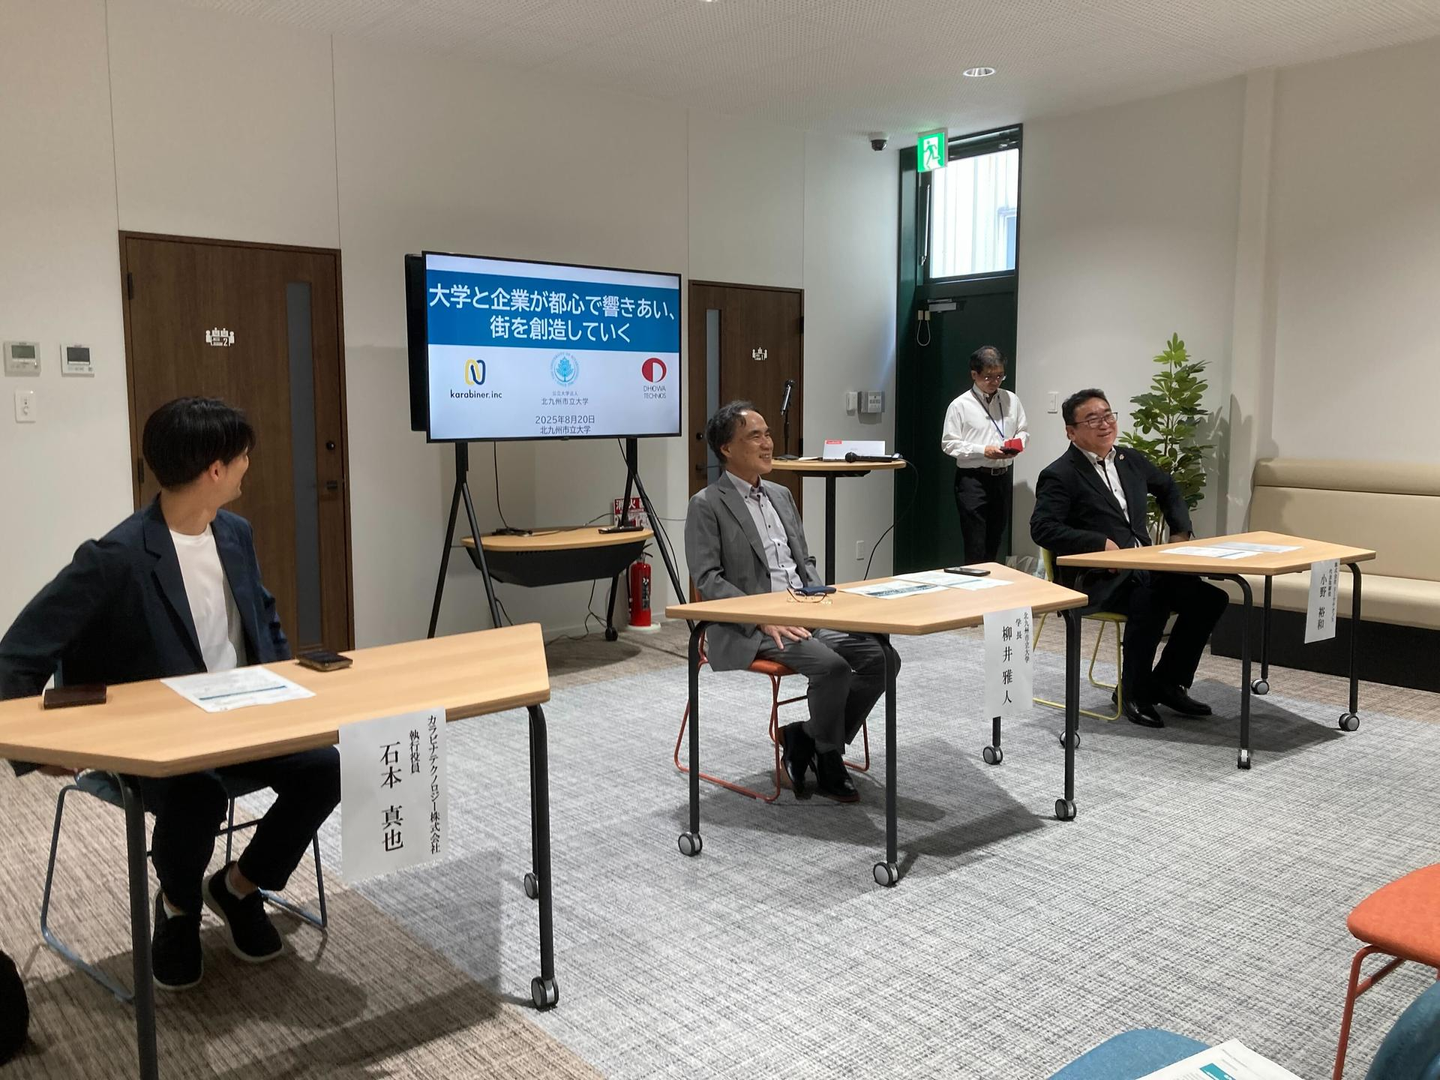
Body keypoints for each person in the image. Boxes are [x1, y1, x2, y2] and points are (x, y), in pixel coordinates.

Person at [0, 397, 340, 991]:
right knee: (197, 794)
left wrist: (287, 687)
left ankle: (237, 888)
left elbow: (262, 617)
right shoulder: (117, 557)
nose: (248, 466)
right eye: (242, 457)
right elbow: (16, 657)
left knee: (324, 767)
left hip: (244, 718)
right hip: (160, 743)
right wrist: (38, 749)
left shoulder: (234, 533)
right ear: (215, 469)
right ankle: (178, 907)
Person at [684, 401, 899, 802]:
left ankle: (806, 737)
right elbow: (708, 579)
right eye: (755, 436)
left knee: (882, 658)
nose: (767, 443)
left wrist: (824, 599)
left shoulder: (781, 494)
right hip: (751, 625)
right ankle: (828, 756)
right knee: (833, 668)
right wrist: (762, 617)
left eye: (767, 434)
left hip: (805, 609)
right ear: (727, 448)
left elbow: (804, 560)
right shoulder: (707, 504)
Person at [1029, 388, 1227, 729]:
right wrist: (1098, 544)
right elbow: (1043, 528)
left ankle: (1167, 682)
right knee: (1151, 598)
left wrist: (1180, 532)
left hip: (1143, 568)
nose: (1104, 424)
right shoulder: (1060, 474)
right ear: (1071, 432)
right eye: (1092, 419)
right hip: (1094, 577)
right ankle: (1133, 691)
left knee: (1210, 598)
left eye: (1108, 415)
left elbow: (1168, 488)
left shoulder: (1130, 460)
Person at [941, 345, 1029, 564]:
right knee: (975, 541)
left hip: (1002, 477)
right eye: (988, 376)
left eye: (1000, 376)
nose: (995, 381)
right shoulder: (960, 405)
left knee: (995, 538)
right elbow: (949, 444)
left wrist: (1016, 444)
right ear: (974, 374)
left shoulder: (1011, 400)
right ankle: (975, 582)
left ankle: (992, 581)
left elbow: (1023, 430)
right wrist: (983, 450)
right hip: (973, 479)